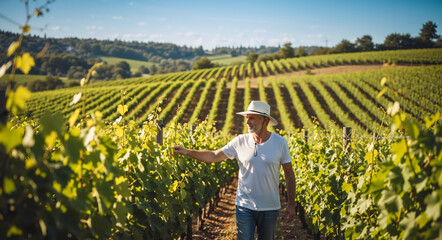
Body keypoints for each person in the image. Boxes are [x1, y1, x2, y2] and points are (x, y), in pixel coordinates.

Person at [174, 100, 296, 240]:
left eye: (252, 118)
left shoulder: (280, 143)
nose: (247, 122)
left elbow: (289, 174)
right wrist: (188, 152)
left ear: (265, 120)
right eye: (246, 118)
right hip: (244, 206)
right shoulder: (240, 141)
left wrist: (291, 205)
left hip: (270, 207)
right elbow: (213, 155)